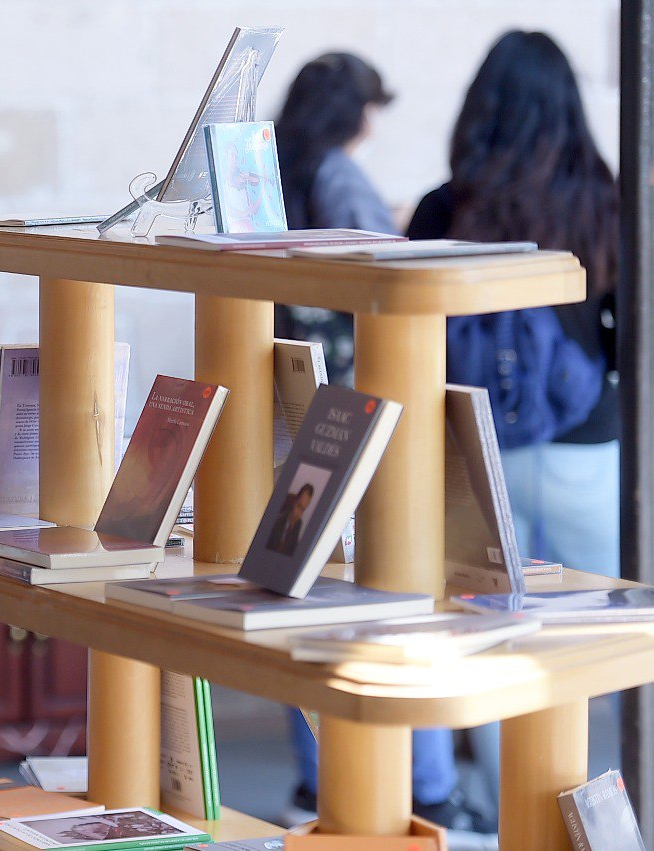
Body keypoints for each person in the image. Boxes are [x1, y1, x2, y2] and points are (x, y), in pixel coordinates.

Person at [273, 53, 495, 842]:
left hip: (289, 407)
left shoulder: (271, 168)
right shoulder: (337, 172)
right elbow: (392, 267)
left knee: (305, 605)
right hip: (358, 407)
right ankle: (426, 789)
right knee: (399, 595)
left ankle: (317, 778)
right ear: (354, 113)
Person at [406, 29, 620, 814]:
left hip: (475, 449)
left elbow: (412, 331)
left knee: (499, 642)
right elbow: (626, 333)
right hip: (585, 445)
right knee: (622, 634)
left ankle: (515, 817)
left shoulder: (443, 204)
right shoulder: (605, 198)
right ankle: (621, 809)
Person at [273, 53, 395, 388]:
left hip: (281, 340)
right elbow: (381, 260)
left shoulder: (270, 162)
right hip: (341, 356)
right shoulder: (338, 172)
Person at [266, 484, 313, 556]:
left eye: (303, 510)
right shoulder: (279, 515)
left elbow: (293, 551)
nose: (299, 514)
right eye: (299, 506)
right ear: (295, 501)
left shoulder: (298, 524)